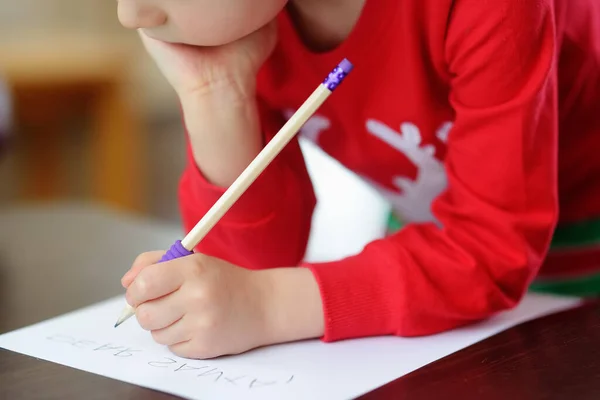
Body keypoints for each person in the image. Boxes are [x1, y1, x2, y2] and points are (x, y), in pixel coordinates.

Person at [116, 0, 600, 359]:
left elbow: (490, 252)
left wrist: (265, 306)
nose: (130, 14)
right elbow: (245, 271)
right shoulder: (248, 27)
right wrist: (214, 92)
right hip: (433, 241)